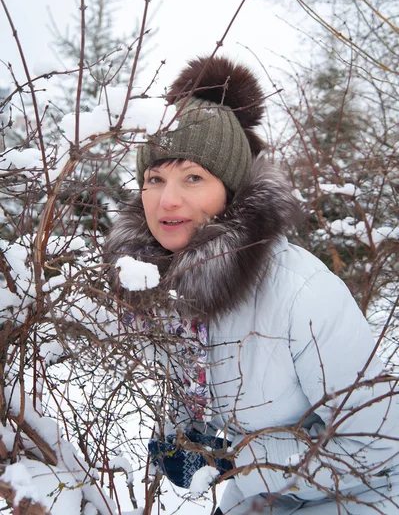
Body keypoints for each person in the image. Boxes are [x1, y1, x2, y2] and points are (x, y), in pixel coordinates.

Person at [104, 56, 399, 514]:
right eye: (154, 178)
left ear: (231, 190)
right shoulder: (157, 288)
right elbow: (192, 378)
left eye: (194, 178)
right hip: (261, 499)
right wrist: (180, 432)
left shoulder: (300, 293)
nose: (167, 199)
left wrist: (233, 460)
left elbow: (380, 445)